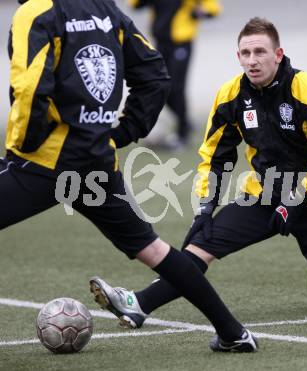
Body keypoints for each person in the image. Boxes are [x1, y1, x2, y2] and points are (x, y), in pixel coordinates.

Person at [96, 17, 307, 326]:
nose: (252, 61)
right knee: (200, 247)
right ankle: (138, 304)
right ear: (238, 57)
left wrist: (294, 199)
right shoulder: (231, 95)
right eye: (246, 53)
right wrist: (204, 208)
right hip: (263, 196)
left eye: (260, 52)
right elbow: (214, 157)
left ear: (278, 54)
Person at [0, 0, 257, 353]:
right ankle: (233, 333)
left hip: (46, 162)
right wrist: (121, 133)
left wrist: (21, 149)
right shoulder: (106, 9)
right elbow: (155, 74)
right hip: (98, 162)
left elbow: (30, 89)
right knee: (152, 249)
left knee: (151, 248)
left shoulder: (36, 12)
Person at [128, 0, 222, 150]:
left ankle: (182, 134)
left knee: (176, 88)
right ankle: (186, 122)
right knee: (161, 87)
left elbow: (213, 8)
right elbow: (135, 5)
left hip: (181, 42)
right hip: (160, 42)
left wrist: (199, 12)